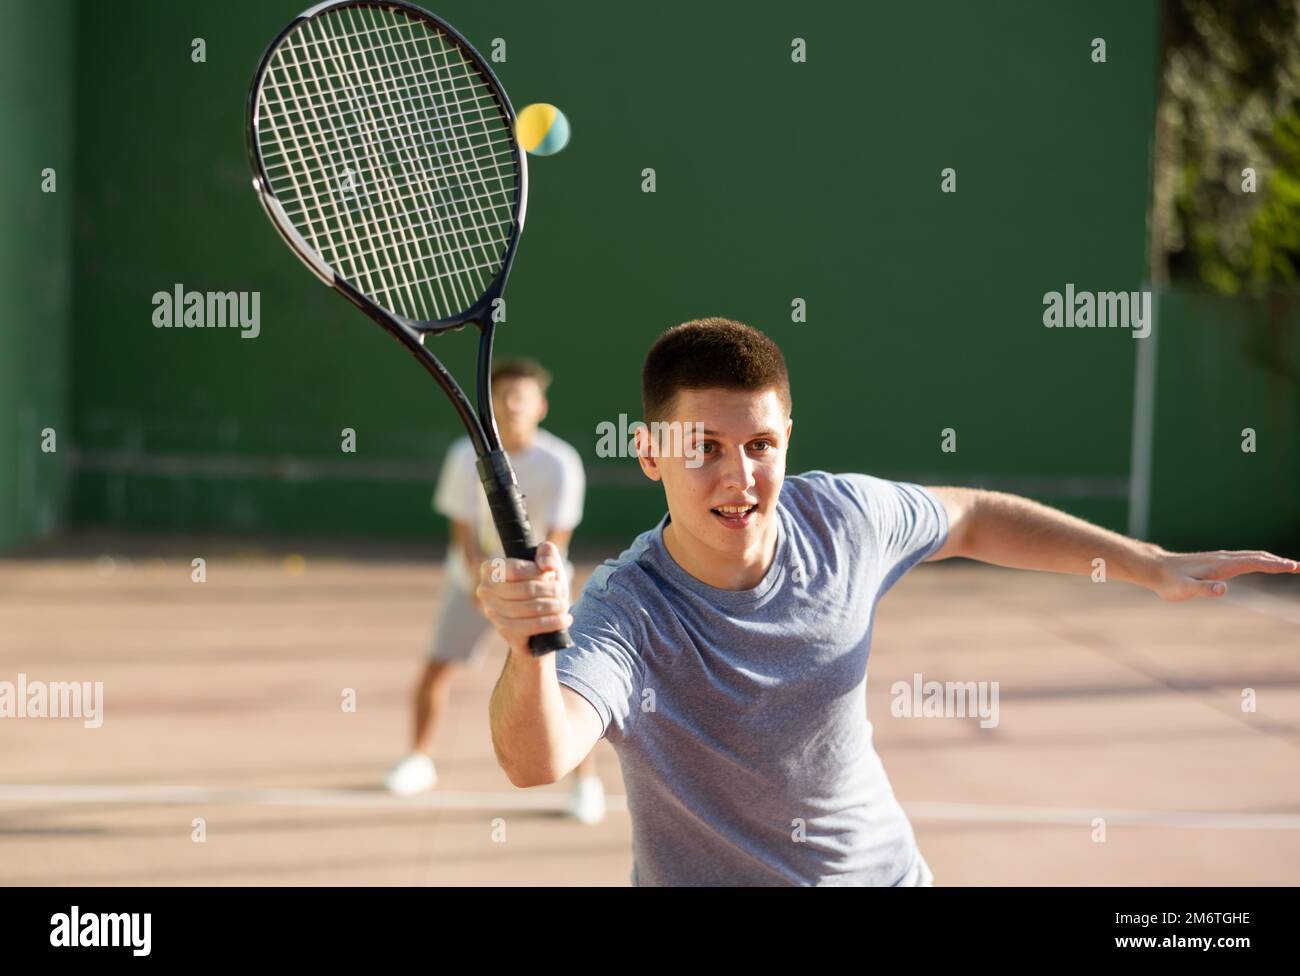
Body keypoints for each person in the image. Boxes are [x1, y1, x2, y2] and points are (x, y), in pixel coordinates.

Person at [476, 317, 1300, 885]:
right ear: (649, 452)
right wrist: (526, 650)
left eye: (760, 445)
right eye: (704, 448)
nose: (738, 477)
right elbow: (536, 759)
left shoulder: (842, 519)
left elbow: (972, 516)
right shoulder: (630, 610)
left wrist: (1146, 564)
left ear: (787, 440)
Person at [385, 358, 605, 825]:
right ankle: (419, 759)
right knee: (437, 667)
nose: (510, 405)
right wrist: (479, 581)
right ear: (489, 405)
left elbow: (558, 539)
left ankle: (585, 783)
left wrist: (530, 590)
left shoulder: (561, 463)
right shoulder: (463, 457)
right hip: (474, 583)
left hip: (542, 586)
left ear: (540, 406)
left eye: (520, 396)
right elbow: (462, 530)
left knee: (565, 682)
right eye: (501, 395)